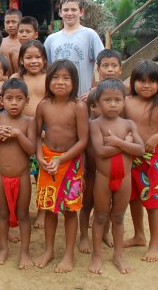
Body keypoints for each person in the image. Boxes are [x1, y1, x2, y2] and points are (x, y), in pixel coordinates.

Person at [34, 60, 89, 272]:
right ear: (48, 80)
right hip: (48, 162)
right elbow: (36, 135)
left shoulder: (78, 107)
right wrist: (40, 157)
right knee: (49, 208)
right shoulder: (43, 105)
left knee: (69, 209)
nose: (60, 82)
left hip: (71, 163)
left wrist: (62, 159)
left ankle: (68, 254)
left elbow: (83, 141)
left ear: (74, 82)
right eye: (56, 77)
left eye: (66, 78)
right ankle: (49, 250)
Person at [123, 60, 158, 262]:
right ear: (133, 82)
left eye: (152, 81)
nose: (146, 85)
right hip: (130, 158)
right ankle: (139, 235)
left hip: (151, 160)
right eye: (141, 81)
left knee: (153, 203)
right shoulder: (126, 102)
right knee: (133, 198)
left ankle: (153, 244)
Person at [88, 79, 145, 274]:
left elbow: (140, 149)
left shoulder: (129, 124)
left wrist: (117, 142)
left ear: (124, 101)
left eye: (117, 100)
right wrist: (125, 143)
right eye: (107, 100)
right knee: (101, 216)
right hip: (103, 179)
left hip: (124, 179)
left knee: (119, 217)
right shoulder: (95, 125)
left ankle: (118, 256)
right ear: (98, 102)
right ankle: (97, 256)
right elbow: (100, 152)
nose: (113, 104)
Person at [0, 78, 36, 269]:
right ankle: (3, 248)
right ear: (2, 100)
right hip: (0, 175)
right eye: (9, 98)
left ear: (27, 101)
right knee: (2, 213)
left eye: (19, 99)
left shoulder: (30, 122)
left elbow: (32, 150)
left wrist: (18, 134)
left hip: (22, 176)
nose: (14, 103)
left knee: (23, 214)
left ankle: (25, 252)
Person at [78, 48, 125, 253]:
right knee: (87, 201)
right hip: (91, 159)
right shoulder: (91, 94)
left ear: (120, 69)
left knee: (108, 205)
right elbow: (83, 124)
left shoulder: (122, 93)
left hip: (112, 164)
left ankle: (105, 232)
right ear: (98, 69)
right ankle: (83, 236)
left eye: (114, 65)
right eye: (105, 66)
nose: (110, 69)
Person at [12, 40, 47, 228]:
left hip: (44, 131)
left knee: (41, 174)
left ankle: (42, 211)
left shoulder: (49, 77)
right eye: (29, 57)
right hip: (21, 128)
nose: (34, 61)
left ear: (45, 59)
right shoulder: (16, 78)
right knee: (21, 171)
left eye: (38, 57)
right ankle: (20, 210)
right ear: (21, 60)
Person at [43, 0, 104, 97]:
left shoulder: (90, 35)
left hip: (83, 97)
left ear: (81, 12)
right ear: (60, 12)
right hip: (58, 98)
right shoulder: (51, 40)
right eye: (66, 10)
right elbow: (45, 69)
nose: (69, 13)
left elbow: (103, 63)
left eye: (74, 10)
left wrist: (96, 90)